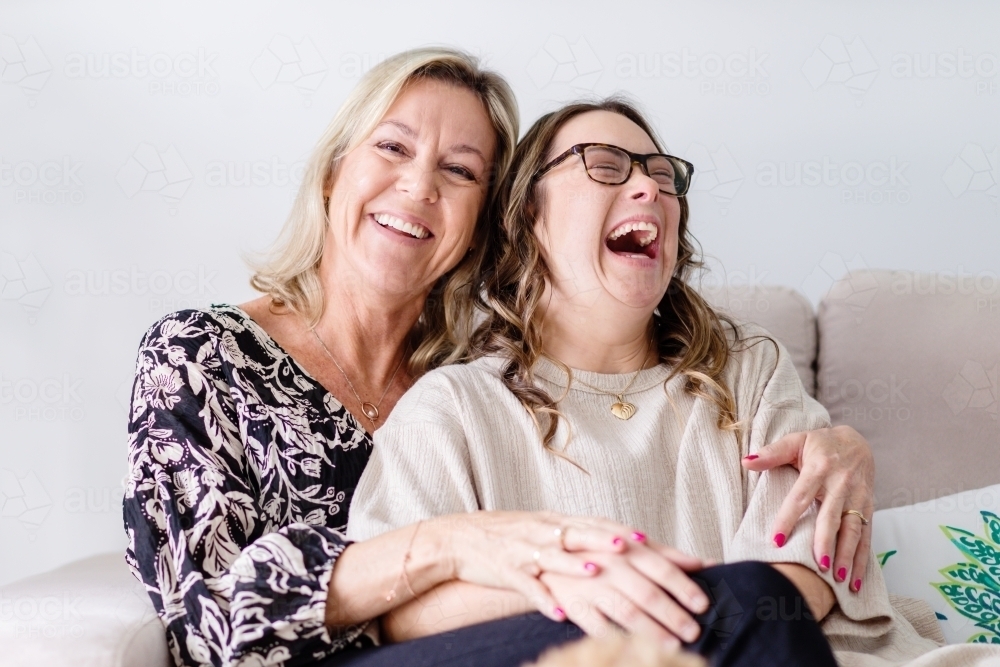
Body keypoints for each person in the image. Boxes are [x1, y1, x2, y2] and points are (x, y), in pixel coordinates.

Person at [123, 48, 879, 667]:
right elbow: (201, 622)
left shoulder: (470, 370)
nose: (419, 186)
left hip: (528, 643)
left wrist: (842, 443)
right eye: (392, 147)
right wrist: (454, 545)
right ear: (332, 174)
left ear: (489, 223)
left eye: (460, 170)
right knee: (743, 608)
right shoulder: (203, 354)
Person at [346, 99, 1000, 666]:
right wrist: (592, 586)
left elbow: (797, 578)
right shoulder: (454, 406)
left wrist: (665, 602)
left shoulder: (748, 370)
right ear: (527, 217)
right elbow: (403, 612)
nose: (649, 188)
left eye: (663, 175)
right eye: (606, 165)